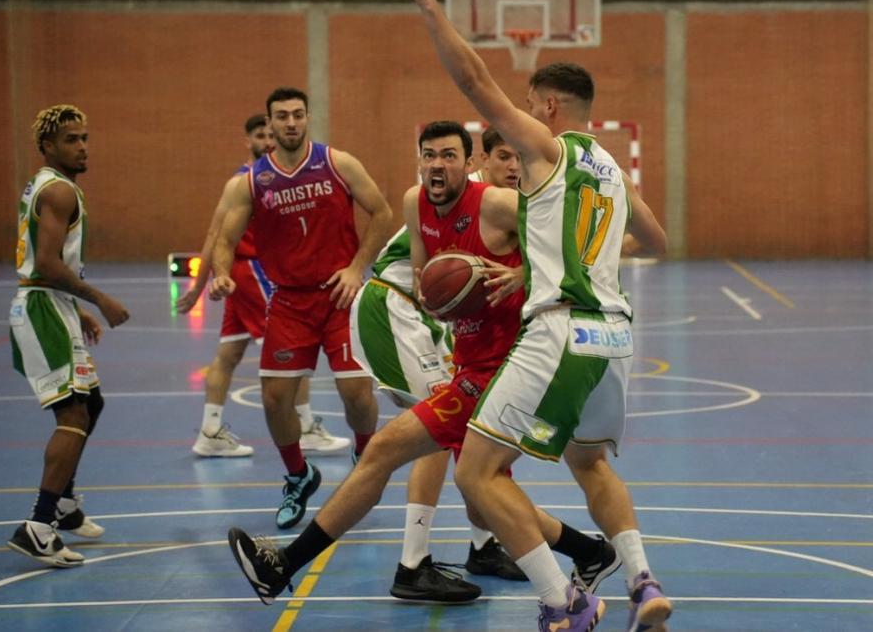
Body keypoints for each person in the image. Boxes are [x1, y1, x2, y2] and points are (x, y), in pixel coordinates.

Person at [226, 120, 621, 606]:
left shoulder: (496, 204)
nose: (438, 164)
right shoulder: (416, 204)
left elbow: (581, 239)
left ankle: (286, 565)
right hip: (470, 364)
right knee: (468, 486)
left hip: (511, 369)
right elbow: (428, 290)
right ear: (419, 160)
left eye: (450, 155)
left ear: (470, 164)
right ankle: (589, 552)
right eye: (429, 154)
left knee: (434, 468)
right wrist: (445, 299)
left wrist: (522, 273)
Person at [413, 0, 673, 630]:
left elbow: (473, 80)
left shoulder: (545, 148)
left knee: (476, 474)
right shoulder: (612, 168)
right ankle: (644, 581)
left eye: (531, 105)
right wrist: (590, 264)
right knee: (590, 463)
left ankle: (566, 599)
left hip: (558, 328)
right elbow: (661, 240)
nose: (525, 115)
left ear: (549, 107)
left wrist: (430, 8)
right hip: (613, 336)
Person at [347, 128, 527, 602]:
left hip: (431, 317)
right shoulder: (468, 197)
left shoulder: (497, 209)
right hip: (395, 305)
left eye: (519, 159)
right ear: (479, 160)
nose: (513, 167)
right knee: (438, 424)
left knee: (469, 432)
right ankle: (413, 563)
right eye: (503, 157)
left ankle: (483, 545)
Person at [209, 87, 392, 529]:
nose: (290, 123)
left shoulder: (337, 163)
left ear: (308, 117)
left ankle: (364, 452)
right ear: (269, 124)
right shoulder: (251, 181)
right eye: (282, 117)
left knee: (357, 396)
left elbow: (382, 213)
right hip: (290, 301)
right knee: (275, 400)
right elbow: (225, 239)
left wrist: (355, 268)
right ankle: (298, 475)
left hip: (340, 295)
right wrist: (221, 274)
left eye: (297, 115)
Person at [176, 114, 350, 458]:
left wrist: (200, 287)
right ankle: (304, 427)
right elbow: (216, 235)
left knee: (228, 355)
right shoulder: (248, 182)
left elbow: (214, 234)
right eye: (261, 135)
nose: (268, 141)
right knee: (292, 354)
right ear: (248, 140)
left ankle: (210, 429)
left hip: (242, 276)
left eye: (271, 136)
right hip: (254, 274)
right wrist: (199, 287)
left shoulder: (271, 180)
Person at [6, 104, 130, 567]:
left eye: (85, 138)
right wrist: (100, 300)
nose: (82, 147)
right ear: (48, 147)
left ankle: (64, 503)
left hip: (52, 305)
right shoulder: (59, 191)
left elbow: (51, 264)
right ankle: (38, 524)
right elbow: (47, 264)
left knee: (90, 402)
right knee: (73, 413)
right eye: (72, 139)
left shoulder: (49, 186)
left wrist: (75, 310)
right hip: (41, 308)